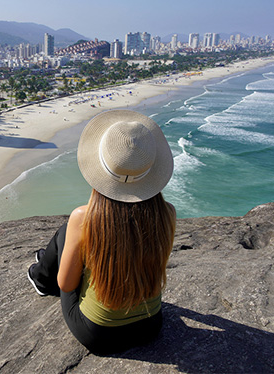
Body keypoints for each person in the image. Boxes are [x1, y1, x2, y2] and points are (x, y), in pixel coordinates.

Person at [27, 109, 176, 355]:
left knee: (67, 233)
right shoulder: (167, 213)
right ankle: (44, 265)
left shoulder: (83, 218)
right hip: (150, 326)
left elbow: (65, 284)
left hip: (99, 334)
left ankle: (41, 277)